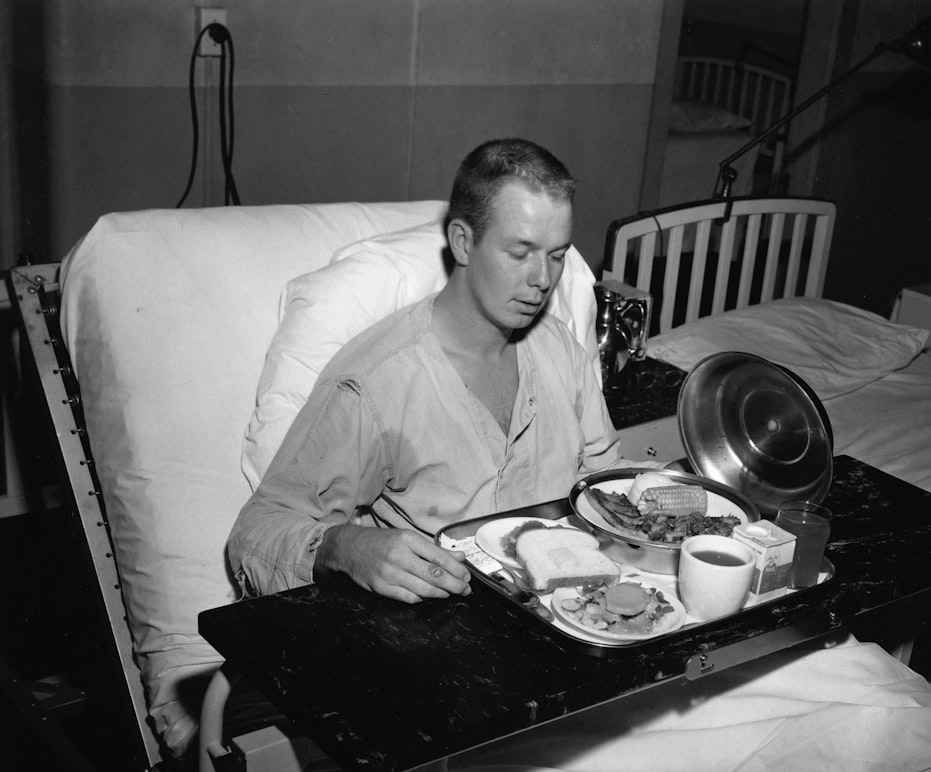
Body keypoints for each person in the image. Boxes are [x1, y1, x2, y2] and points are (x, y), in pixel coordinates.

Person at [228, 138, 631, 603]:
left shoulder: (560, 349)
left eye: (557, 255)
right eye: (520, 253)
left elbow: (603, 480)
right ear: (463, 241)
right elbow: (255, 533)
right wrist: (345, 546)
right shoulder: (377, 382)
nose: (542, 280)